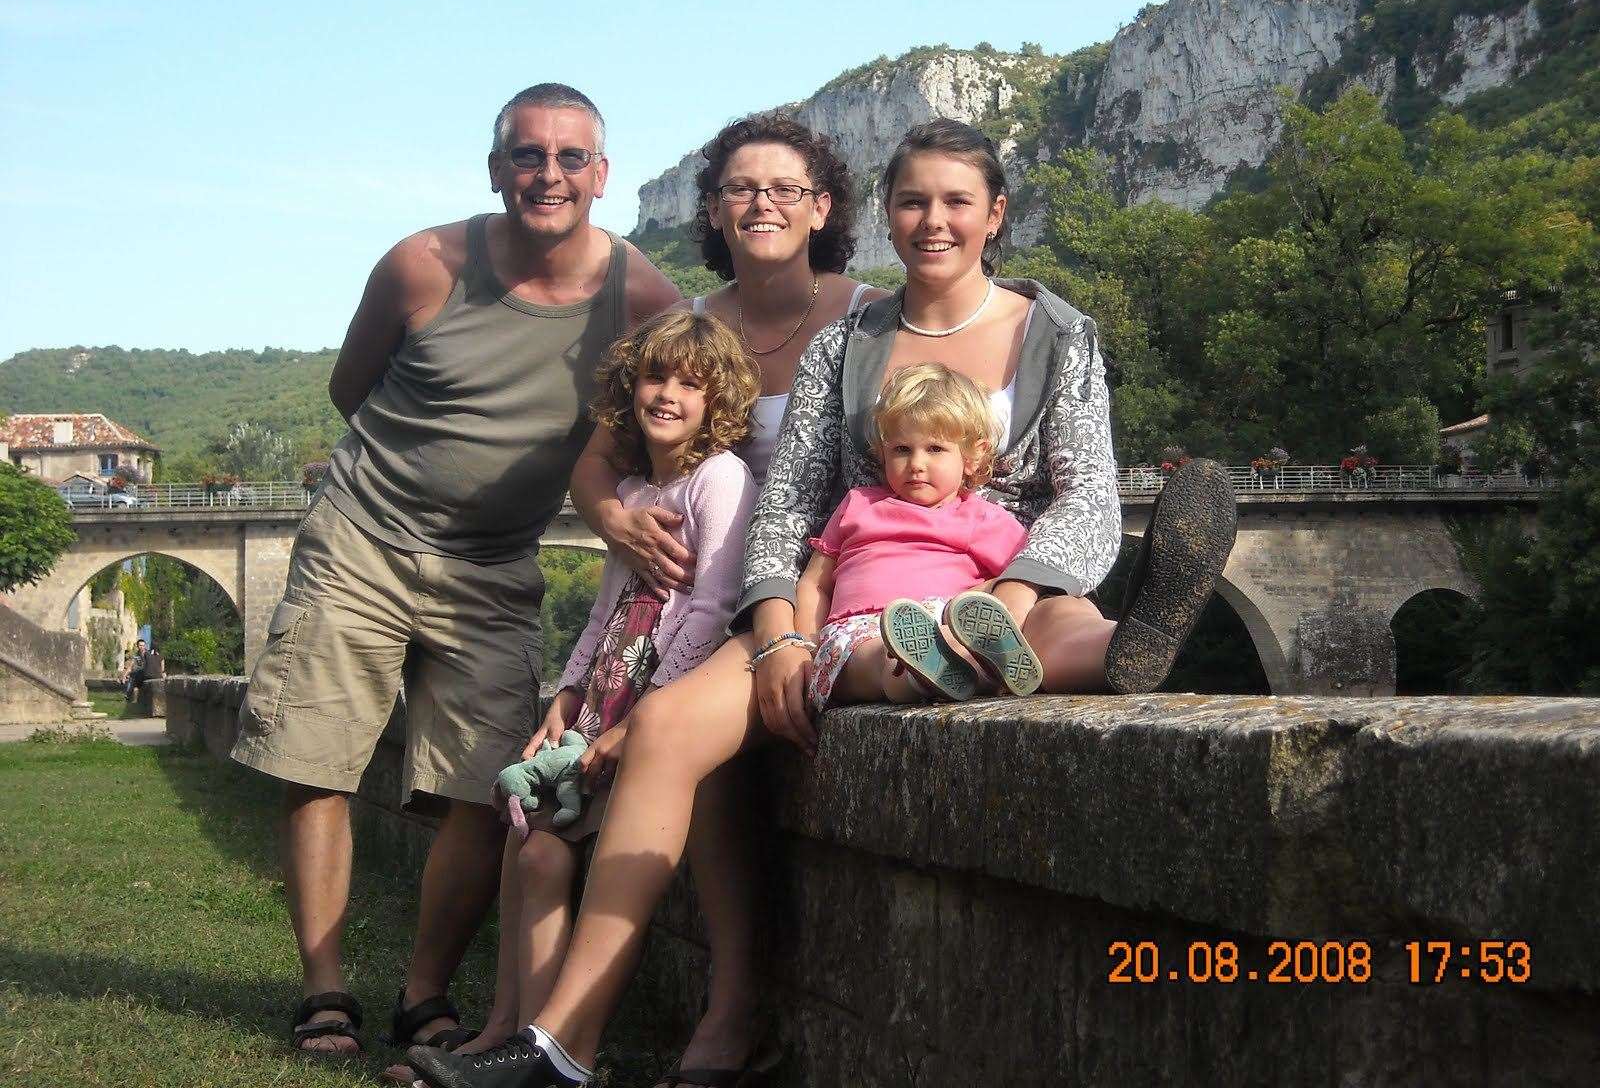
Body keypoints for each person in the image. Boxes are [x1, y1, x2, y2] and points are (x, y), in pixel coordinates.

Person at [406, 117, 1235, 1088]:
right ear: (886, 214)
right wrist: (775, 638)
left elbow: (1088, 492)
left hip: (1011, 573)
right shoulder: (849, 341)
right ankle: (562, 1043)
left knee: (1072, 629)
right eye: (914, 201)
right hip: (857, 586)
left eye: (956, 201)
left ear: (995, 214)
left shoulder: (1054, 329)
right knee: (671, 727)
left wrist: (1011, 592)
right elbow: (792, 502)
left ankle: (1127, 636)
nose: (934, 220)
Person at [228, 83, 681, 1063]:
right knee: (315, 759)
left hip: (494, 563)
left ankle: (423, 994)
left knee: (489, 788)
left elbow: (690, 406)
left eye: (570, 158)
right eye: (527, 155)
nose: (547, 174)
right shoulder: (420, 266)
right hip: (362, 537)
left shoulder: (640, 299)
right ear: (495, 169)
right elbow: (354, 386)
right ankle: (324, 993)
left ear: (601, 176)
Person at [567, 114, 882, 1088]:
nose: (762, 205)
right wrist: (614, 522)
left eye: (785, 188)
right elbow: (596, 464)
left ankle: (636, 1027)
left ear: (822, 206)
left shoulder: (874, 318)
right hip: (710, 605)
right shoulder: (690, 330)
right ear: (711, 209)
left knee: (679, 731)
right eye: (742, 188)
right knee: (690, 743)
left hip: (821, 597)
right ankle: (713, 1013)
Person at [449, 310, 758, 1069]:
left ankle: (536, 1046)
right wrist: (568, 694)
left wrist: (645, 717)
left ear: (718, 401)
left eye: (692, 384)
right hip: (604, 701)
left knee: (549, 854)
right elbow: (606, 611)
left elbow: (715, 606)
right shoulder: (631, 489)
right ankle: (511, 1034)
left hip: (653, 705)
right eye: (656, 378)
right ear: (630, 389)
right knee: (535, 851)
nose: (669, 395)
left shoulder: (721, 479)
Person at [795, 362, 1037, 708]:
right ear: (883, 452)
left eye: (935, 449)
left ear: (973, 456)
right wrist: (805, 645)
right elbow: (814, 584)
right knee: (870, 658)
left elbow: (1018, 575)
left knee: (959, 631)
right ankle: (915, 672)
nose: (916, 464)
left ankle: (964, 666)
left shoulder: (981, 517)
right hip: (855, 632)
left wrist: (982, 593)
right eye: (901, 450)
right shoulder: (859, 504)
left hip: (943, 622)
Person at [121, 638, 148, 704]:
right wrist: (124, 676)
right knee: (132, 677)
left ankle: (131, 698)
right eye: (140, 645)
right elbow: (130, 667)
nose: (142, 647)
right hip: (137, 674)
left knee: (134, 678)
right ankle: (128, 697)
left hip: (146, 673)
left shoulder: (148, 654)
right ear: (137, 646)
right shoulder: (136, 656)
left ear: (145, 646)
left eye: (143, 645)